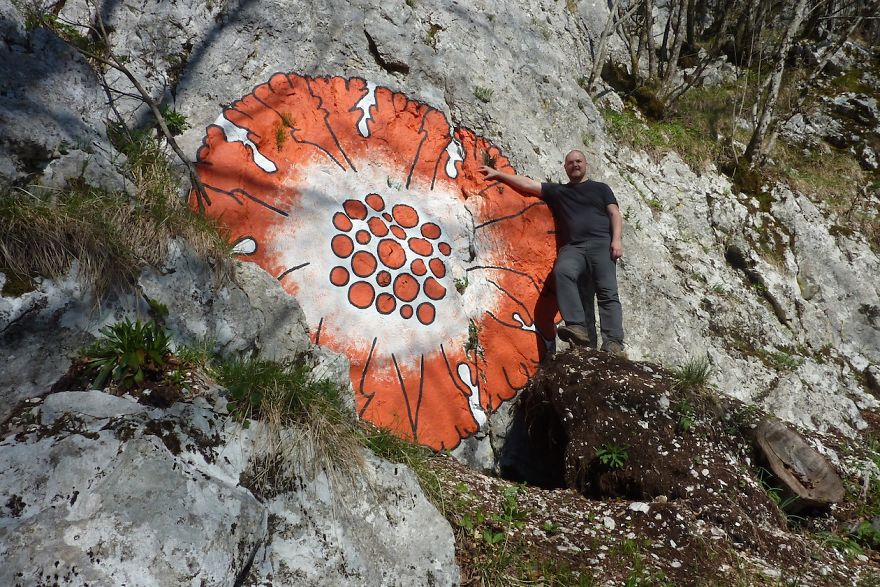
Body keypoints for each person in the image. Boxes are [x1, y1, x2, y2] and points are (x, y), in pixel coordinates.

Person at [479, 150, 625, 353]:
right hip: (574, 247)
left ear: (585, 164)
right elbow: (528, 184)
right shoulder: (559, 191)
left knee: (607, 292)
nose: (575, 165)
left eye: (578, 161)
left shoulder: (601, 188)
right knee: (563, 271)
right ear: (565, 168)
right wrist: (499, 174)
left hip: (601, 243)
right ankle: (577, 327)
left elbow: (614, 213)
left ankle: (614, 342)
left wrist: (616, 240)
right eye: (571, 163)